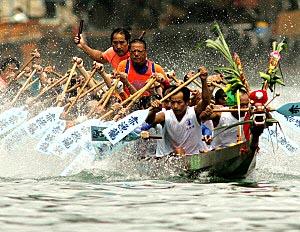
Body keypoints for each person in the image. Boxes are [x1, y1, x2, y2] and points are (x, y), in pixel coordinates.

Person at [145, 67, 211, 156]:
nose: (175, 106)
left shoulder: (194, 112)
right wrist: (153, 111)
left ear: (187, 102)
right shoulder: (165, 115)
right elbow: (150, 121)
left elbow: (206, 101)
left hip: (194, 156)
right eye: (173, 102)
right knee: (179, 151)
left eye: (179, 102)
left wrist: (203, 80)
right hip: (170, 159)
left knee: (180, 151)